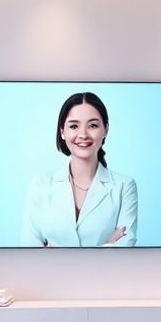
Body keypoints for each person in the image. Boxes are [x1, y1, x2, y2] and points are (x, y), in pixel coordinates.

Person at [21, 92, 138, 247]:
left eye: (93, 126)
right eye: (74, 126)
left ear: (106, 130)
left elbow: (125, 246)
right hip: (46, 273)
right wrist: (107, 245)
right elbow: (28, 250)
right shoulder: (40, 184)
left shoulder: (124, 186)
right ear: (62, 131)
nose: (83, 134)